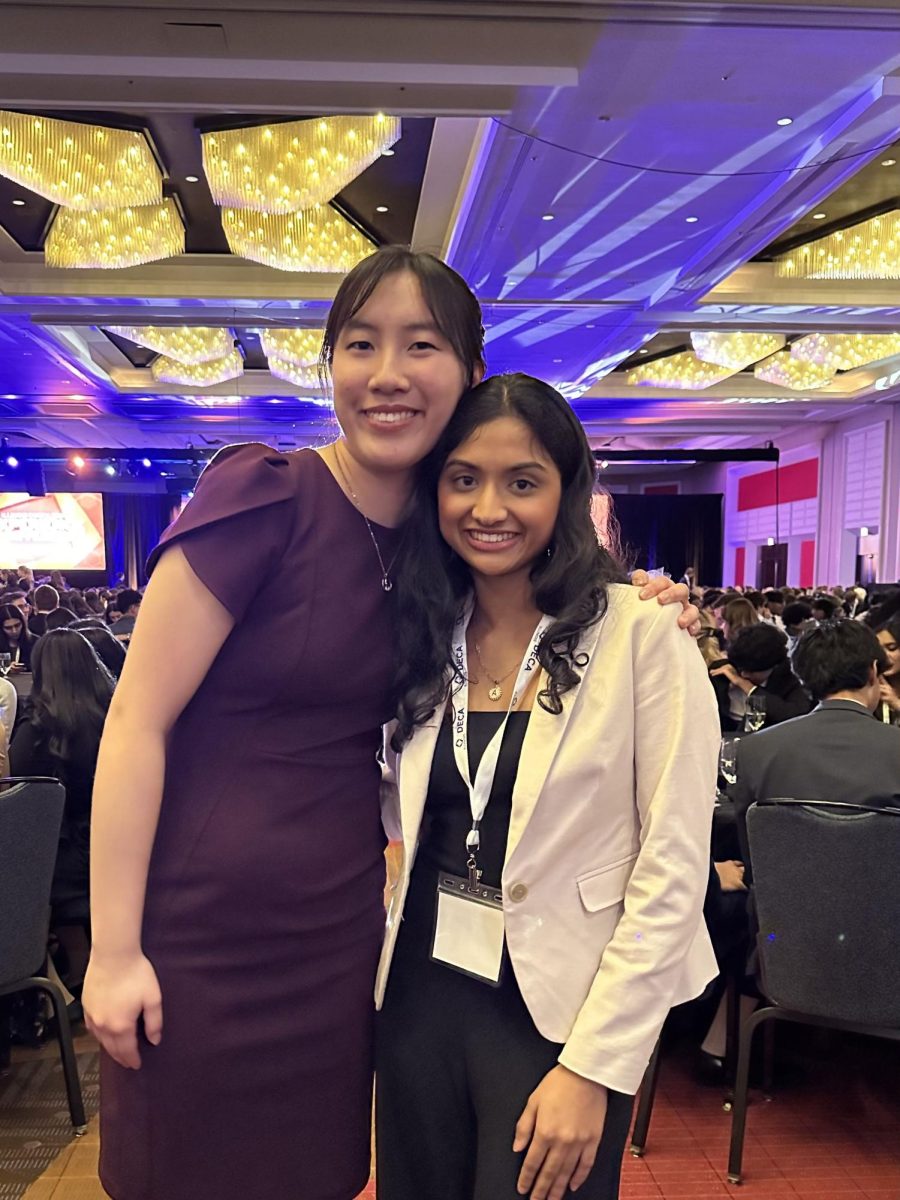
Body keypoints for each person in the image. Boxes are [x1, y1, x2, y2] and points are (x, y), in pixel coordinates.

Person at [82, 248, 697, 1200]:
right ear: (329, 363)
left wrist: (634, 602)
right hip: (204, 938)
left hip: (342, 947)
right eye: (361, 344)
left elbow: (543, 608)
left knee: (319, 1175)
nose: (388, 374)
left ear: (469, 374)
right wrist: (114, 948)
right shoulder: (267, 493)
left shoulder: (443, 546)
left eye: (422, 345)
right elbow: (133, 722)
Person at [375, 374, 720, 1200]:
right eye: (464, 479)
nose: (488, 507)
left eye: (521, 482)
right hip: (421, 994)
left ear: (566, 493)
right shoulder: (419, 633)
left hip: (557, 1012)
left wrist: (597, 1068)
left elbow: (671, 872)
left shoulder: (642, 636)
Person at [730, 620, 900, 881]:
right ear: (873, 671)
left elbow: (753, 859)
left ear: (803, 676)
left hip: (780, 915)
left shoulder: (754, 750)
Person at [9, 628, 115, 915]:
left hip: (60, 859)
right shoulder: (119, 717)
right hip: (120, 845)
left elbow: (23, 797)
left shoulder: (36, 731)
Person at [710, 623, 811, 732]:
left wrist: (751, 689)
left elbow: (796, 716)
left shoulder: (788, 682)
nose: (744, 674)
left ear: (774, 666)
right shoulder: (723, 669)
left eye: (752, 672)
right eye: (741, 669)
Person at [874, 613, 900, 726]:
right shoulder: (868, 688)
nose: (885, 656)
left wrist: (896, 703)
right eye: (879, 649)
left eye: (892, 648)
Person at [0, 602, 36, 669]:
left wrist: (24, 667)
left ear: (23, 623)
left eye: (17, 625)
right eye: (8, 628)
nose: (14, 631)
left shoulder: (35, 641)